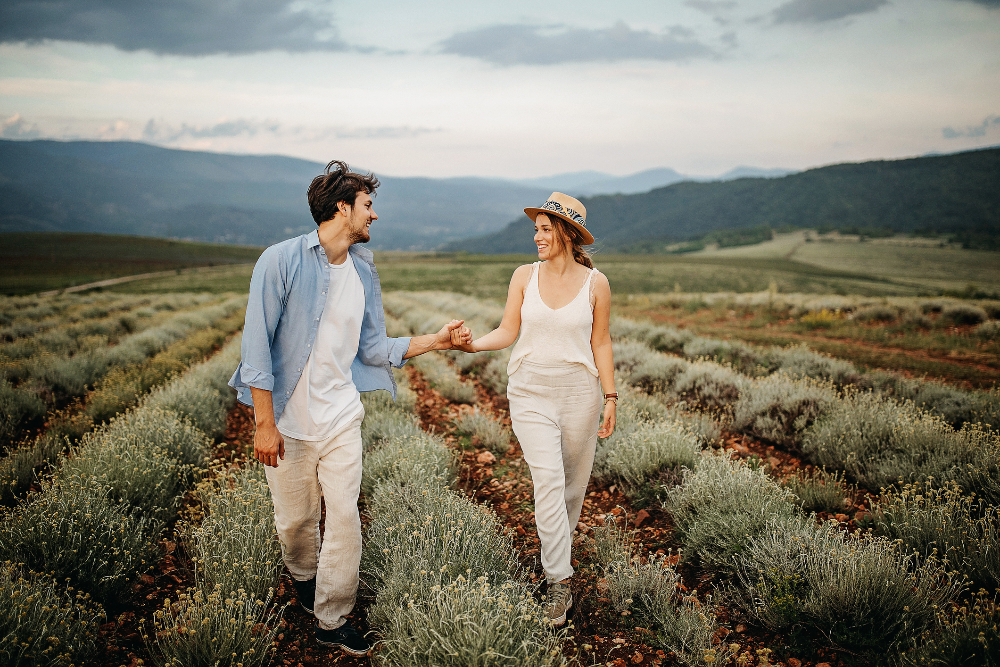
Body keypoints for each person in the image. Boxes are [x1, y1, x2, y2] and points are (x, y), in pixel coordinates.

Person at [229, 160, 470, 656]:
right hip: (289, 423)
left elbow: (374, 347)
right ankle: (304, 579)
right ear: (342, 207)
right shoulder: (280, 261)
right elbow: (256, 351)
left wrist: (438, 340)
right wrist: (264, 424)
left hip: (341, 416)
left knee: (344, 518)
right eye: (367, 205)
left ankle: (332, 618)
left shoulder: (362, 269)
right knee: (295, 524)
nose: (373, 215)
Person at [451, 192, 616, 626]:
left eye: (545, 229)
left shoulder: (596, 284)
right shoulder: (524, 276)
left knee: (571, 490)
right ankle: (559, 581)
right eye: (536, 229)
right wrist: (472, 345)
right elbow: (508, 330)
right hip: (530, 392)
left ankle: (556, 552)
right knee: (548, 481)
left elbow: (601, 341)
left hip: (580, 395)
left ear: (567, 233)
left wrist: (611, 397)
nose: (537, 236)